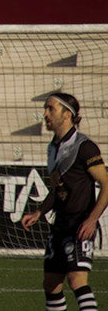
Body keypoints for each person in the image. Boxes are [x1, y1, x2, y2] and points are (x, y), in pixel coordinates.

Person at [20, 92, 108, 311]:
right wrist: (39, 212)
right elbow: (58, 188)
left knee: (77, 279)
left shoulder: (84, 146)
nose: (45, 114)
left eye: (51, 109)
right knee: (51, 284)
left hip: (80, 224)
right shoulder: (53, 147)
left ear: (67, 114)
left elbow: (106, 184)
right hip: (60, 225)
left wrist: (92, 219)